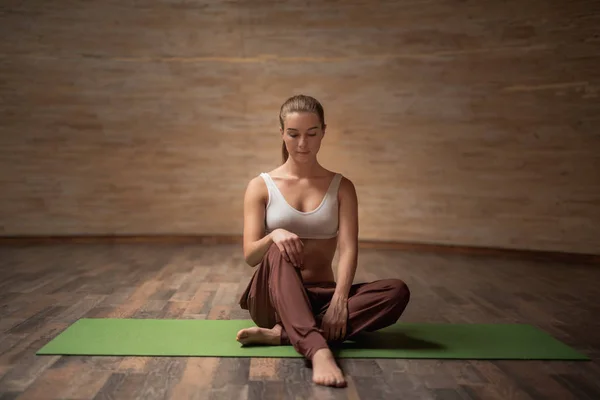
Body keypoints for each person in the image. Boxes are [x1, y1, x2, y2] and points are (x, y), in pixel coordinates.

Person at [236, 94, 411, 388]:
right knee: (278, 251)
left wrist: (340, 300)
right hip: (271, 301)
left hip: (323, 296)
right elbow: (251, 256)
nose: (302, 143)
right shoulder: (260, 186)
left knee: (396, 291)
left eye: (311, 133)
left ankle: (283, 334)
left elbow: (348, 250)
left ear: (323, 133)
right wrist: (274, 235)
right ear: (282, 134)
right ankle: (318, 351)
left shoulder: (342, 187)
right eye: (293, 134)